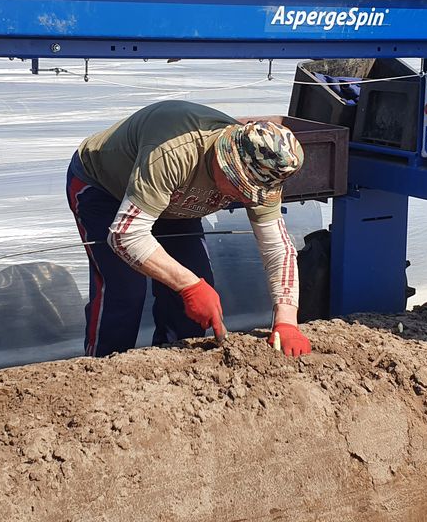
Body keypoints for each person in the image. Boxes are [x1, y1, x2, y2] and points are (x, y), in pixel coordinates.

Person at [65, 100, 311, 358]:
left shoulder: (266, 171)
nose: (244, 198)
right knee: (125, 291)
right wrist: (188, 285)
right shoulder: (175, 152)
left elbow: (277, 248)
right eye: (240, 188)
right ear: (225, 161)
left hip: (175, 202)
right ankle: (102, 369)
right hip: (105, 188)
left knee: (193, 298)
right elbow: (125, 234)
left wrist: (286, 320)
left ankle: (173, 369)